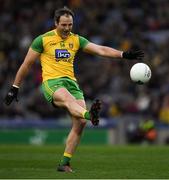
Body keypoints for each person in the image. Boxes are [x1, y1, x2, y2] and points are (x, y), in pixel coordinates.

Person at [4, 7, 144, 172]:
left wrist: (123, 55)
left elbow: (100, 49)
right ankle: (90, 114)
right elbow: (26, 65)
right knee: (70, 102)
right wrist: (15, 87)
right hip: (52, 83)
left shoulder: (76, 40)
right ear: (56, 23)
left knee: (80, 123)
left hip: (72, 83)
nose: (67, 28)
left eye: (70, 25)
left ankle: (64, 163)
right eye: (63, 25)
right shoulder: (42, 40)